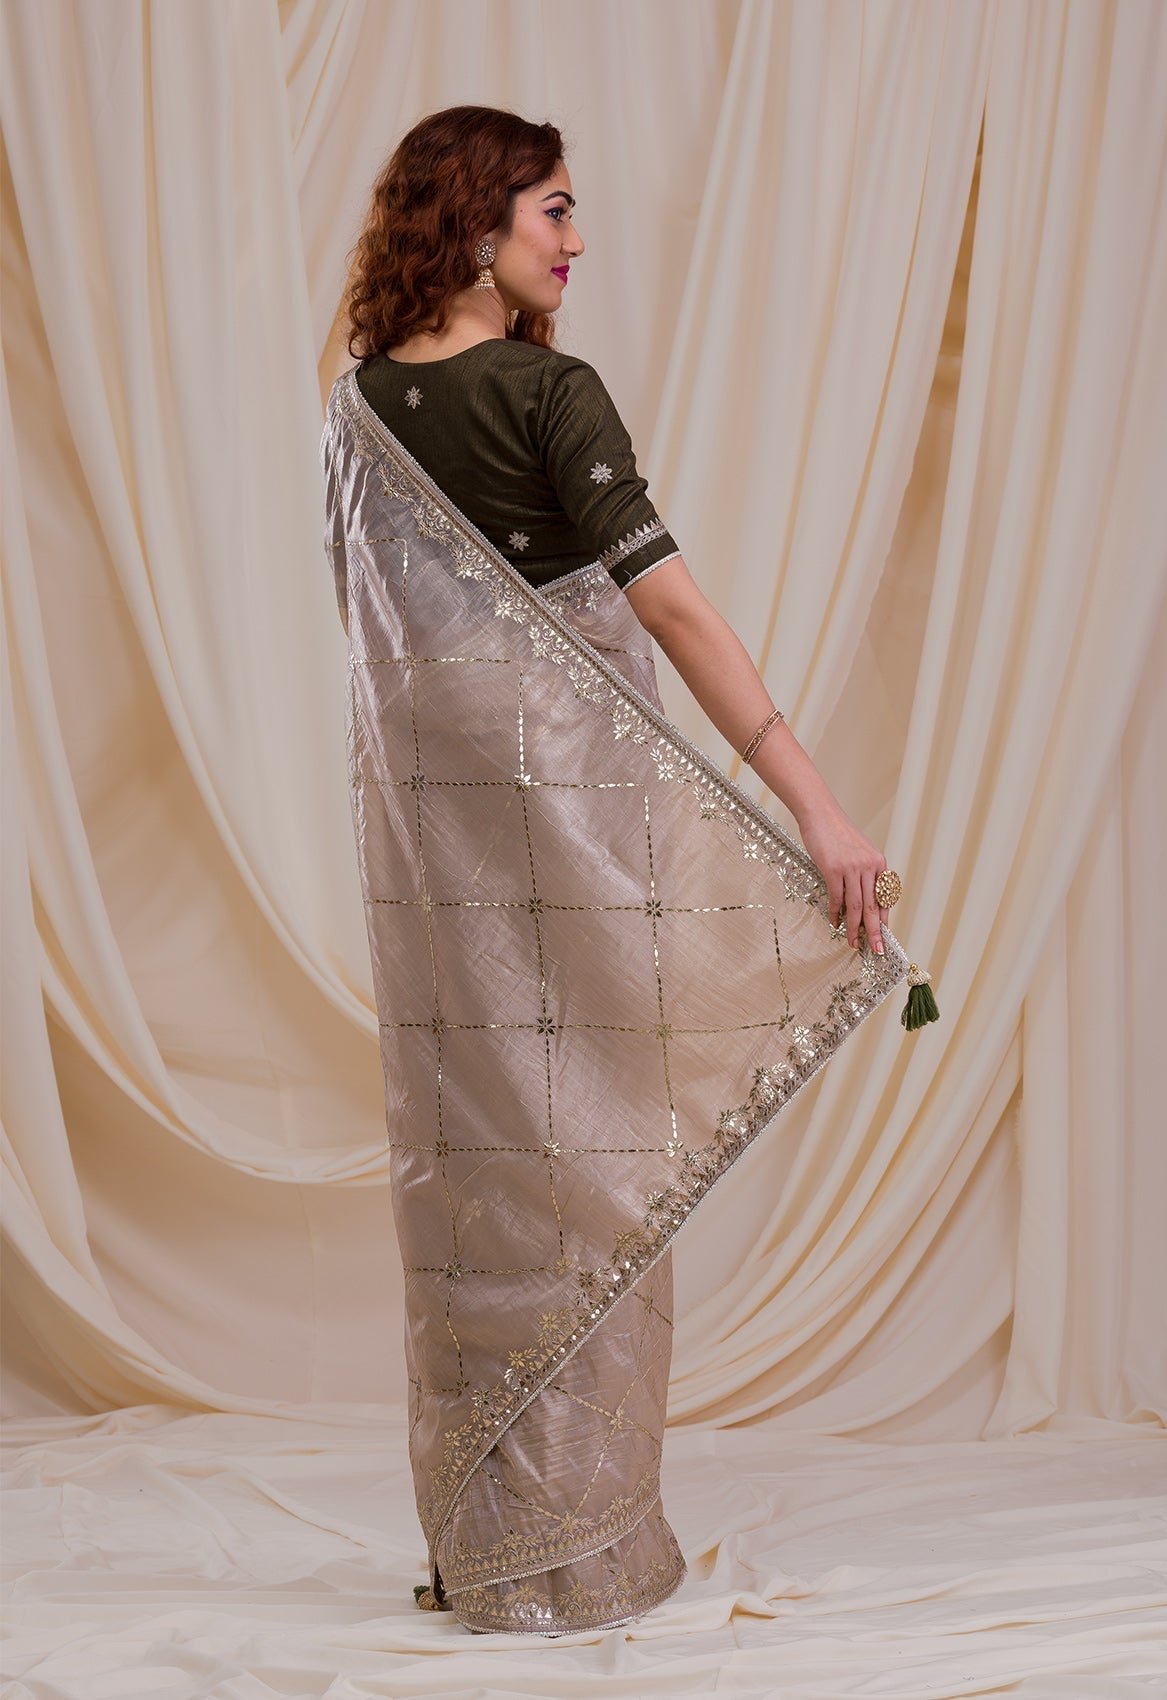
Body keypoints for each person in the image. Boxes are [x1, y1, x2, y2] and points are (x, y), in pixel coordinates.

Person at [322, 103, 928, 1638]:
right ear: (477, 224)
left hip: (437, 879)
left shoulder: (359, 408)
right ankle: (582, 1554)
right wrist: (819, 812)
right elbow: (673, 612)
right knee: (597, 1158)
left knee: (478, 1172)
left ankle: (485, 1551)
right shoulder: (548, 391)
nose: (577, 242)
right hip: (571, 853)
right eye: (554, 212)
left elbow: (396, 669)